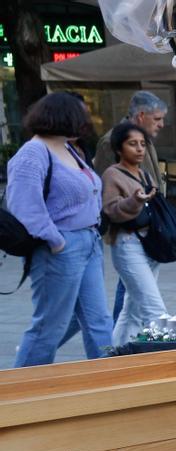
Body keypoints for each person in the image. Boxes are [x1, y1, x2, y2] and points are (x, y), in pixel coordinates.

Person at [60, 91, 168, 347]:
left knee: (125, 306)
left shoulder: (142, 140)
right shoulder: (112, 142)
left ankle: (115, 352)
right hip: (124, 235)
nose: (161, 124)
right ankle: (116, 352)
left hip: (147, 232)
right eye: (157, 118)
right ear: (141, 116)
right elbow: (104, 192)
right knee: (140, 302)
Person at [9, 92, 107, 367]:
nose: (85, 121)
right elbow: (24, 206)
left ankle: (111, 383)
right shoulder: (33, 153)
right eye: (81, 115)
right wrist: (56, 241)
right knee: (49, 327)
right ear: (64, 117)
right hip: (62, 247)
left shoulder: (67, 149)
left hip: (88, 242)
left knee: (99, 321)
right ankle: (23, 393)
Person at [102, 121, 165, 346]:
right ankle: (166, 360)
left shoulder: (145, 175)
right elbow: (111, 210)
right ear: (119, 148)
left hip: (150, 244)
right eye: (132, 144)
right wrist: (134, 200)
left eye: (142, 144)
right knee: (154, 308)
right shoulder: (112, 174)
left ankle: (117, 353)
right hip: (127, 244)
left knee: (133, 309)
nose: (139, 149)